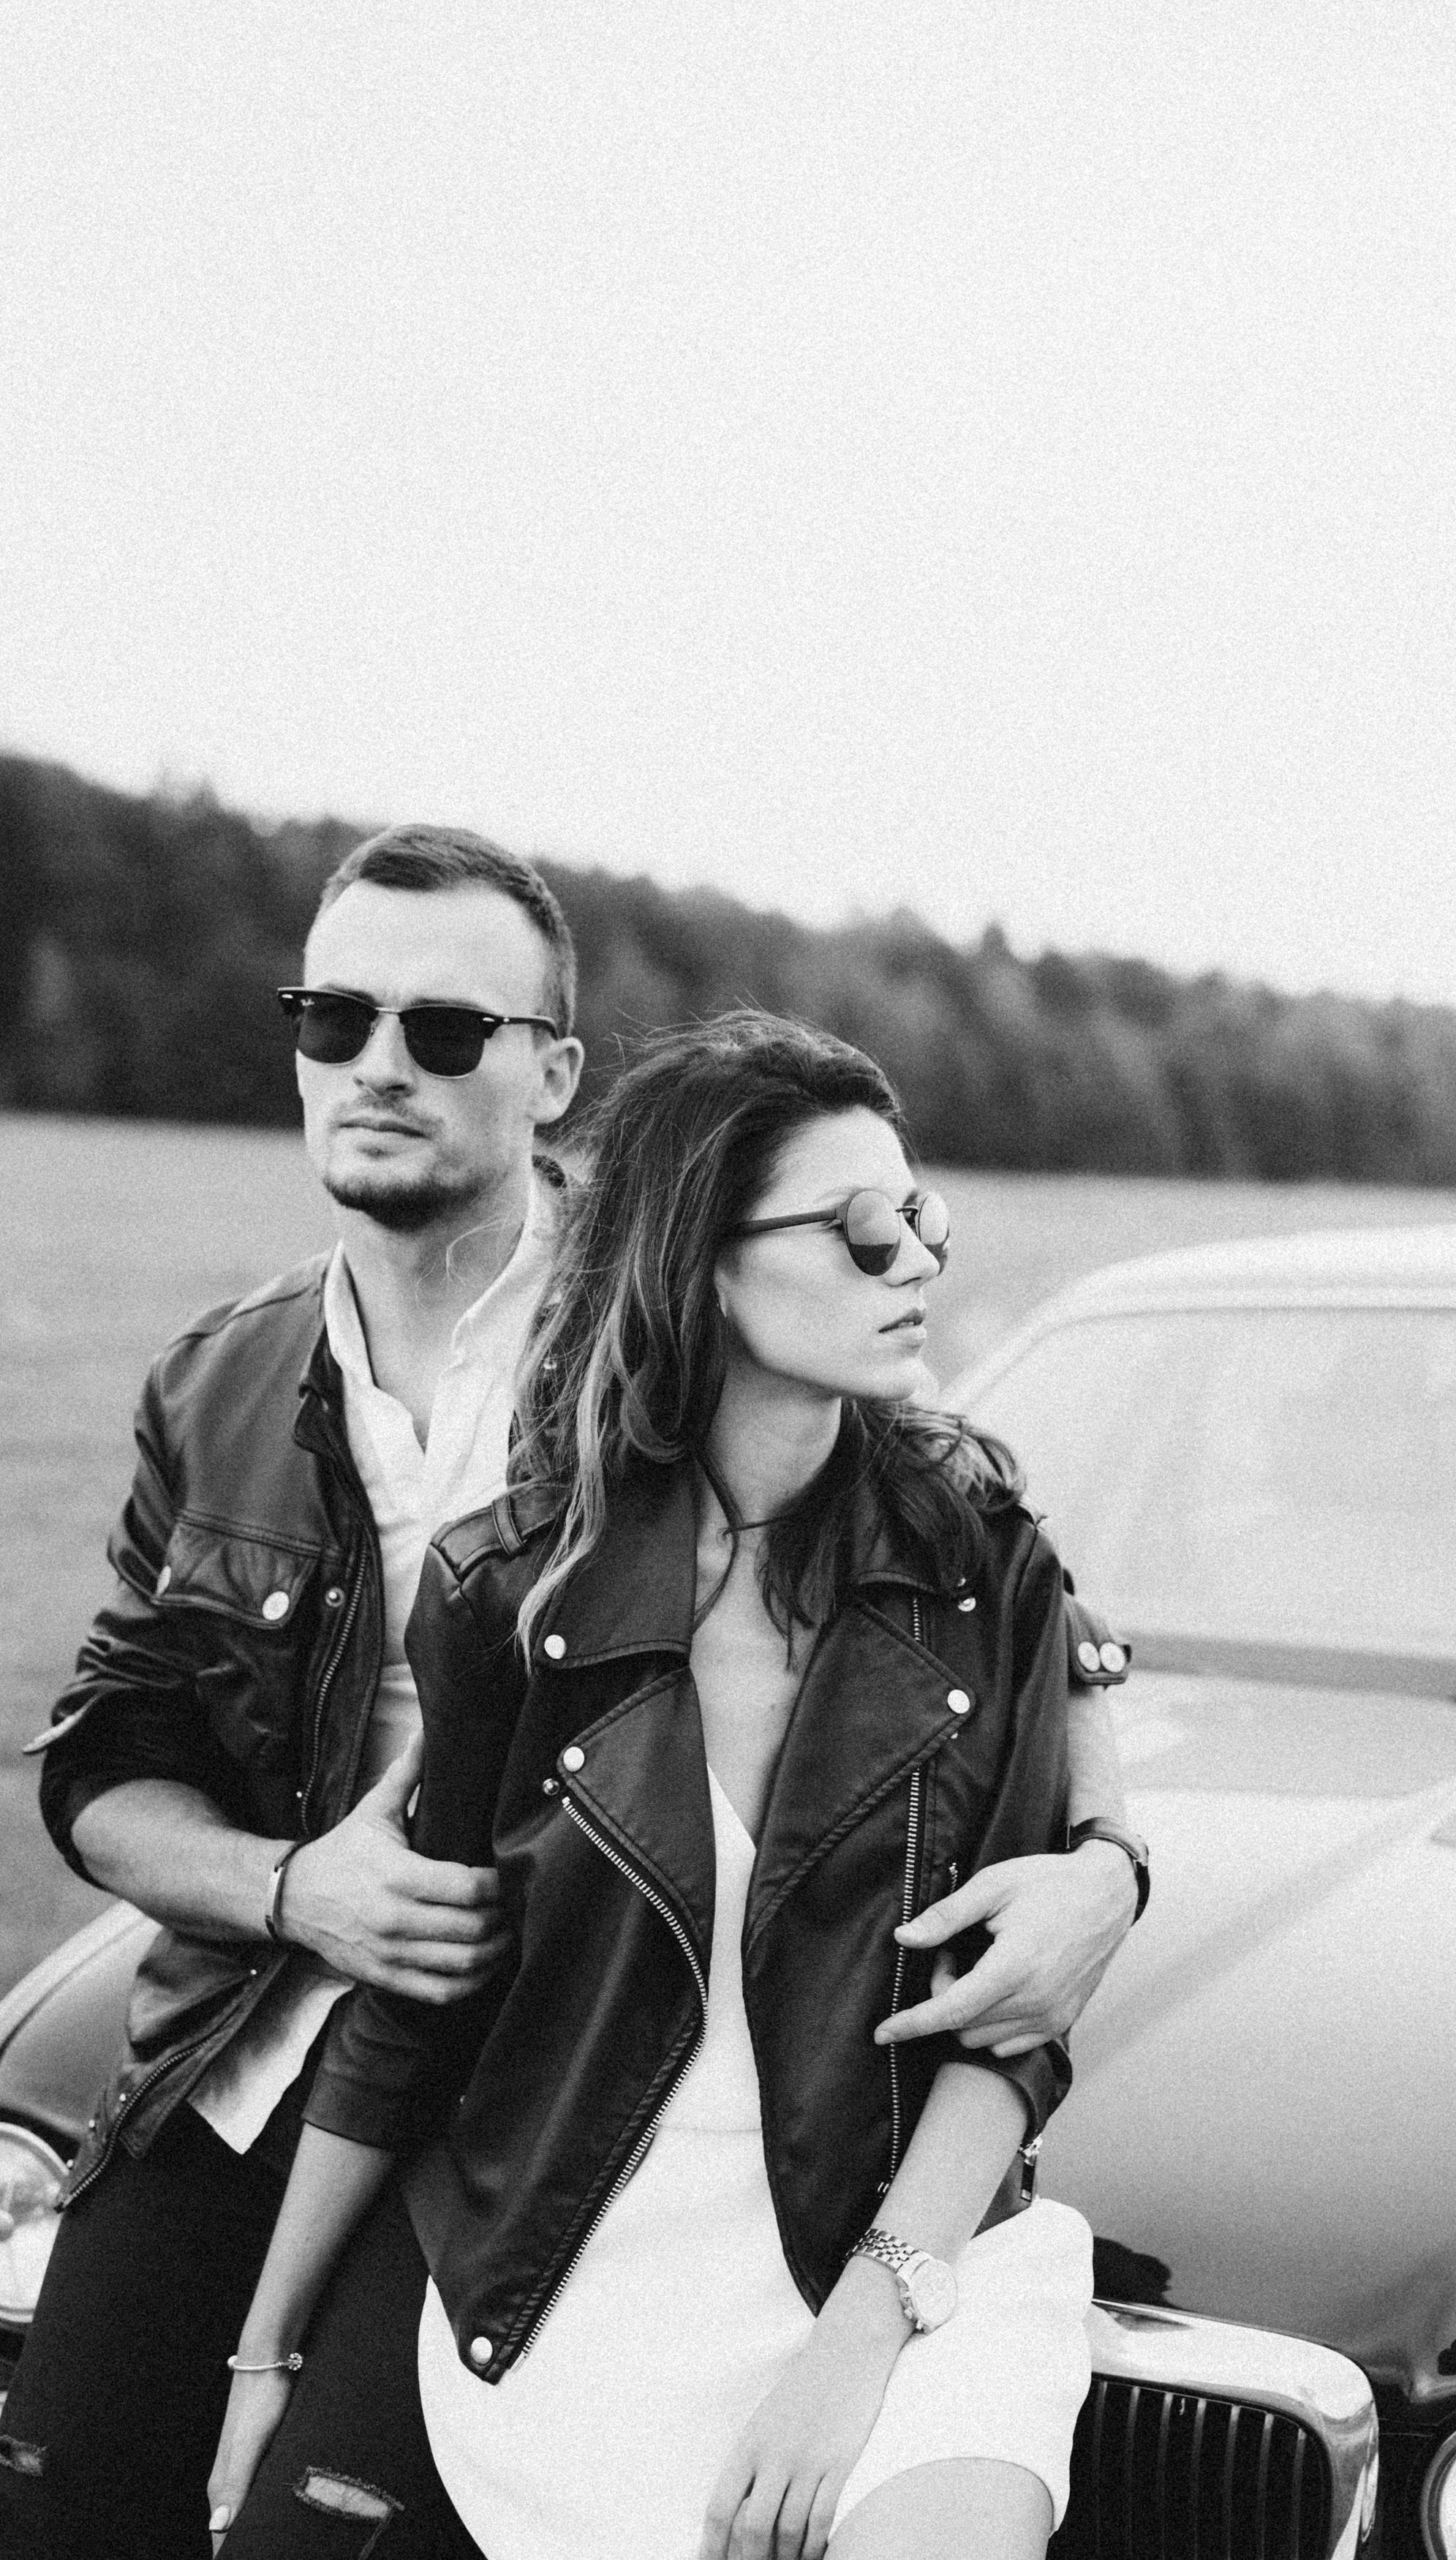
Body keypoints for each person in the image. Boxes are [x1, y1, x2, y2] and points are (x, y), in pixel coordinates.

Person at [1, 842, 1142, 2559]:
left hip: (550, 2076)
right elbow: (104, 1753)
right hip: (277, 2044)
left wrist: (1110, 1863)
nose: (377, 1061)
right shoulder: (228, 1381)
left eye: (445, 1026)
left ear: (553, 1073)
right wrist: (302, 1889)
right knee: (79, 2488)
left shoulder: (699, 1377)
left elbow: (1036, 1662)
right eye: (333, 1014)